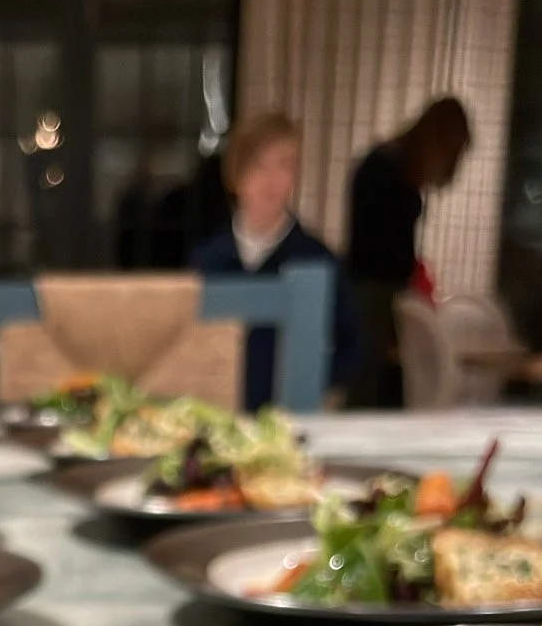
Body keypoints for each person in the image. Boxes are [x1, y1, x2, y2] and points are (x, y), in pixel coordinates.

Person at [189, 112, 359, 410]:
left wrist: (321, 392)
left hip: (290, 424)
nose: (272, 180)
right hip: (215, 420)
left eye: (285, 165)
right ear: (235, 175)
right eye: (259, 166)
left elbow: (350, 349)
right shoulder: (207, 259)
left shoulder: (318, 260)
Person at [345, 96, 472, 407]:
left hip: (376, 284)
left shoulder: (385, 164)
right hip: (375, 287)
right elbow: (382, 242)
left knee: (380, 376)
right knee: (374, 378)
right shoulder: (388, 171)